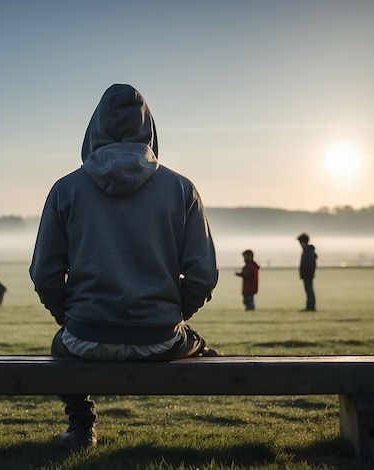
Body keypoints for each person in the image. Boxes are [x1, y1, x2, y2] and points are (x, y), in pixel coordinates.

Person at [29, 84, 219, 451]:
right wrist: (174, 312)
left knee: (59, 345)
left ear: (93, 129)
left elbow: (44, 275)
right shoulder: (181, 189)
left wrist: (69, 315)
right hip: (160, 338)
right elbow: (203, 276)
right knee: (198, 343)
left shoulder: (65, 189)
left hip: (83, 338)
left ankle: (82, 424)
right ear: (149, 130)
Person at [297, 232, 317, 311]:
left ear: (303, 242)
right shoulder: (308, 251)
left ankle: (310, 307)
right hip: (307, 274)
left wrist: (307, 273)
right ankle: (309, 306)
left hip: (308, 275)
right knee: (309, 291)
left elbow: (310, 264)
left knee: (309, 291)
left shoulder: (308, 251)